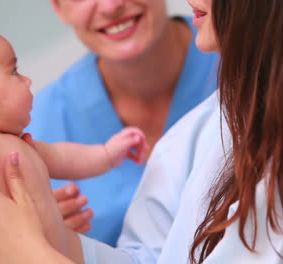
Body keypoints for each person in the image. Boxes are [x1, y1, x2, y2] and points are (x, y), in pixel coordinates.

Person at [0, 0, 283, 263]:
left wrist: (27, 252)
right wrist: (50, 240)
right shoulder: (201, 129)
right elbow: (156, 257)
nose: (109, 4)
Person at [0, 19, 148, 264]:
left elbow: (62, 157)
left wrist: (107, 153)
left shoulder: (18, 144)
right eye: (13, 71)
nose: (27, 80)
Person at [25, 0, 218, 245]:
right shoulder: (34, 127)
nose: (110, 6)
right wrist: (42, 243)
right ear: (58, 7)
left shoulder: (247, 62)